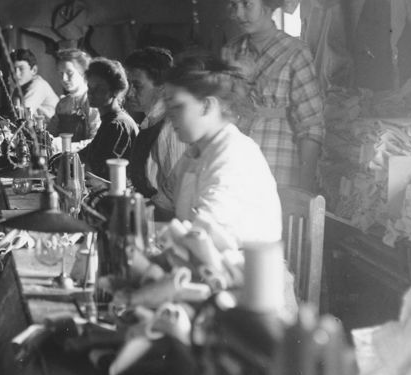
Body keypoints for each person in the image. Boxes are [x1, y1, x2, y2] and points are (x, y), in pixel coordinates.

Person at [221, 0, 324, 191]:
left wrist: (304, 187)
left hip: (278, 166)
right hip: (235, 166)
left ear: (268, 6)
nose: (238, 14)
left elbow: (311, 127)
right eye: (234, 5)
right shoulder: (230, 52)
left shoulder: (296, 53)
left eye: (246, 4)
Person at [163, 56, 281, 245]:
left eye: (177, 107)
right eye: (168, 108)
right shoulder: (196, 151)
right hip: (208, 261)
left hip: (243, 269)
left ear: (207, 105)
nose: (170, 117)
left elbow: (204, 237)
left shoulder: (234, 155)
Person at [123, 47, 188, 217]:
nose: (129, 93)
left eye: (137, 86)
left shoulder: (170, 130)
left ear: (161, 87)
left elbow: (173, 199)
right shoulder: (149, 123)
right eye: (127, 84)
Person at [77, 58, 138, 178]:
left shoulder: (117, 125)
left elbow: (100, 170)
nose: (91, 93)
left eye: (99, 89)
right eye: (90, 87)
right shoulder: (108, 121)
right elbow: (86, 154)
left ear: (114, 91)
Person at [47, 48, 99, 148]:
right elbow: (50, 133)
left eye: (69, 73)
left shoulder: (94, 103)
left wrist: (65, 146)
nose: (64, 79)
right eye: (61, 73)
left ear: (84, 73)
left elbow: (96, 142)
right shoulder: (62, 104)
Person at [7, 48, 59, 120]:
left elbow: (22, 115)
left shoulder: (38, 85)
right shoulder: (19, 89)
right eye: (13, 69)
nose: (16, 74)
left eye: (21, 69)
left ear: (34, 70)